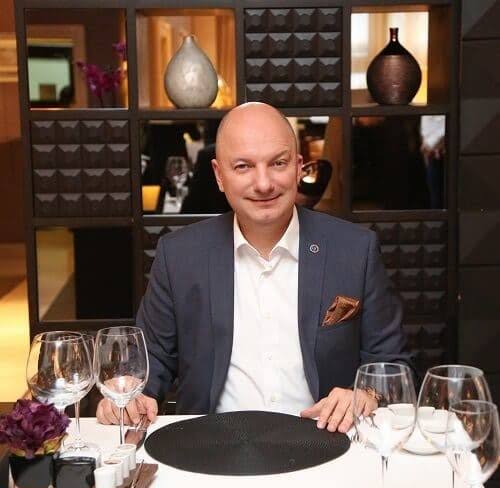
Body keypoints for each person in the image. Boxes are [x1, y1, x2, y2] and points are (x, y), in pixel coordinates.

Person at [97, 102, 412, 433]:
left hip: (326, 441)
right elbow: (151, 361)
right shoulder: (179, 256)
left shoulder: (355, 250)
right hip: (209, 445)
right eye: (243, 166)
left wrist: (364, 395)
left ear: (298, 167)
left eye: (278, 163)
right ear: (219, 176)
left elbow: (393, 367)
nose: (264, 184)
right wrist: (128, 393)